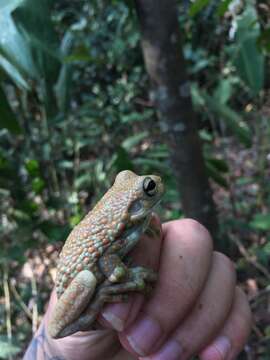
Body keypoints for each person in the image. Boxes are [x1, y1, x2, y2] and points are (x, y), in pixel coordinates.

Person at [24, 218, 252, 360]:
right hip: (78, 286)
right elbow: (114, 270)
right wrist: (127, 275)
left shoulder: (130, 226)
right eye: (150, 189)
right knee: (86, 278)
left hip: (82, 288)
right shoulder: (122, 230)